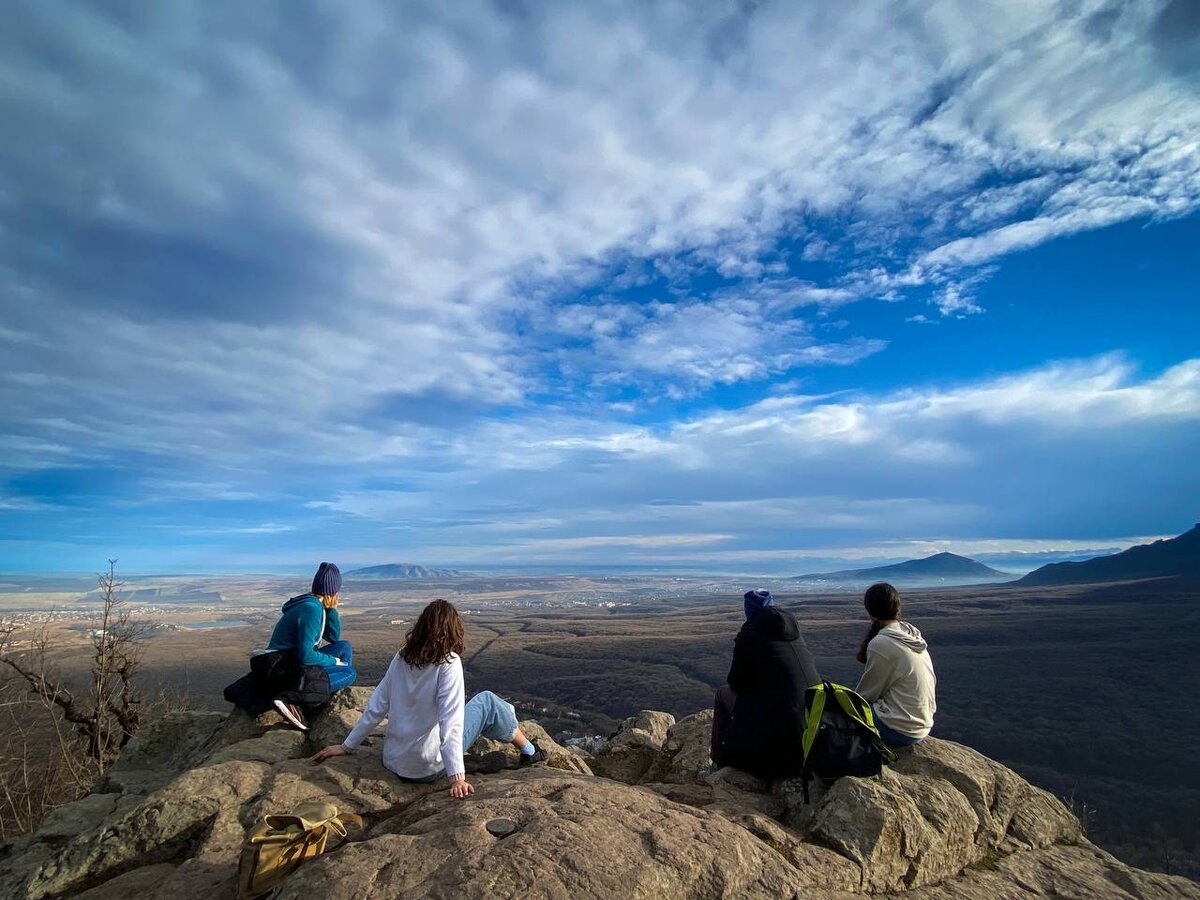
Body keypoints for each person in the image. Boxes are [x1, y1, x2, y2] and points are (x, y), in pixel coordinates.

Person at [310, 598, 547, 799]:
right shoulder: (449, 662)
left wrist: (346, 746)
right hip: (427, 768)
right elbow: (451, 723)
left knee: (484, 705)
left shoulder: (403, 656)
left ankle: (523, 741)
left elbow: (377, 706)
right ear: (453, 631)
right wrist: (457, 778)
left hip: (394, 761)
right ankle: (529, 751)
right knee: (487, 702)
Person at [710, 589, 820, 779]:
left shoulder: (750, 635)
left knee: (722, 694)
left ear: (748, 611)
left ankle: (720, 757)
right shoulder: (793, 633)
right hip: (813, 737)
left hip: (779, 747)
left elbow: (735, 681)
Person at [260, 561, 357, 729]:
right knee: (348, 672)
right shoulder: (311, 609)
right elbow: (306, 656)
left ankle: (316, 693)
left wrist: (331, 610)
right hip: (285, 667)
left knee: (344, 646)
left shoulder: (313, 604)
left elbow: (334, 638)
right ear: (333, 591)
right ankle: (295, 698)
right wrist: (334, 662)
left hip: (291, 660)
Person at [854, 582, 936, 747]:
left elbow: (866, 694)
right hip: (922, 724)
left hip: (899, 729)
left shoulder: (882, 643)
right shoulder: (908, 633)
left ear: (869, 609)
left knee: (843, 716)